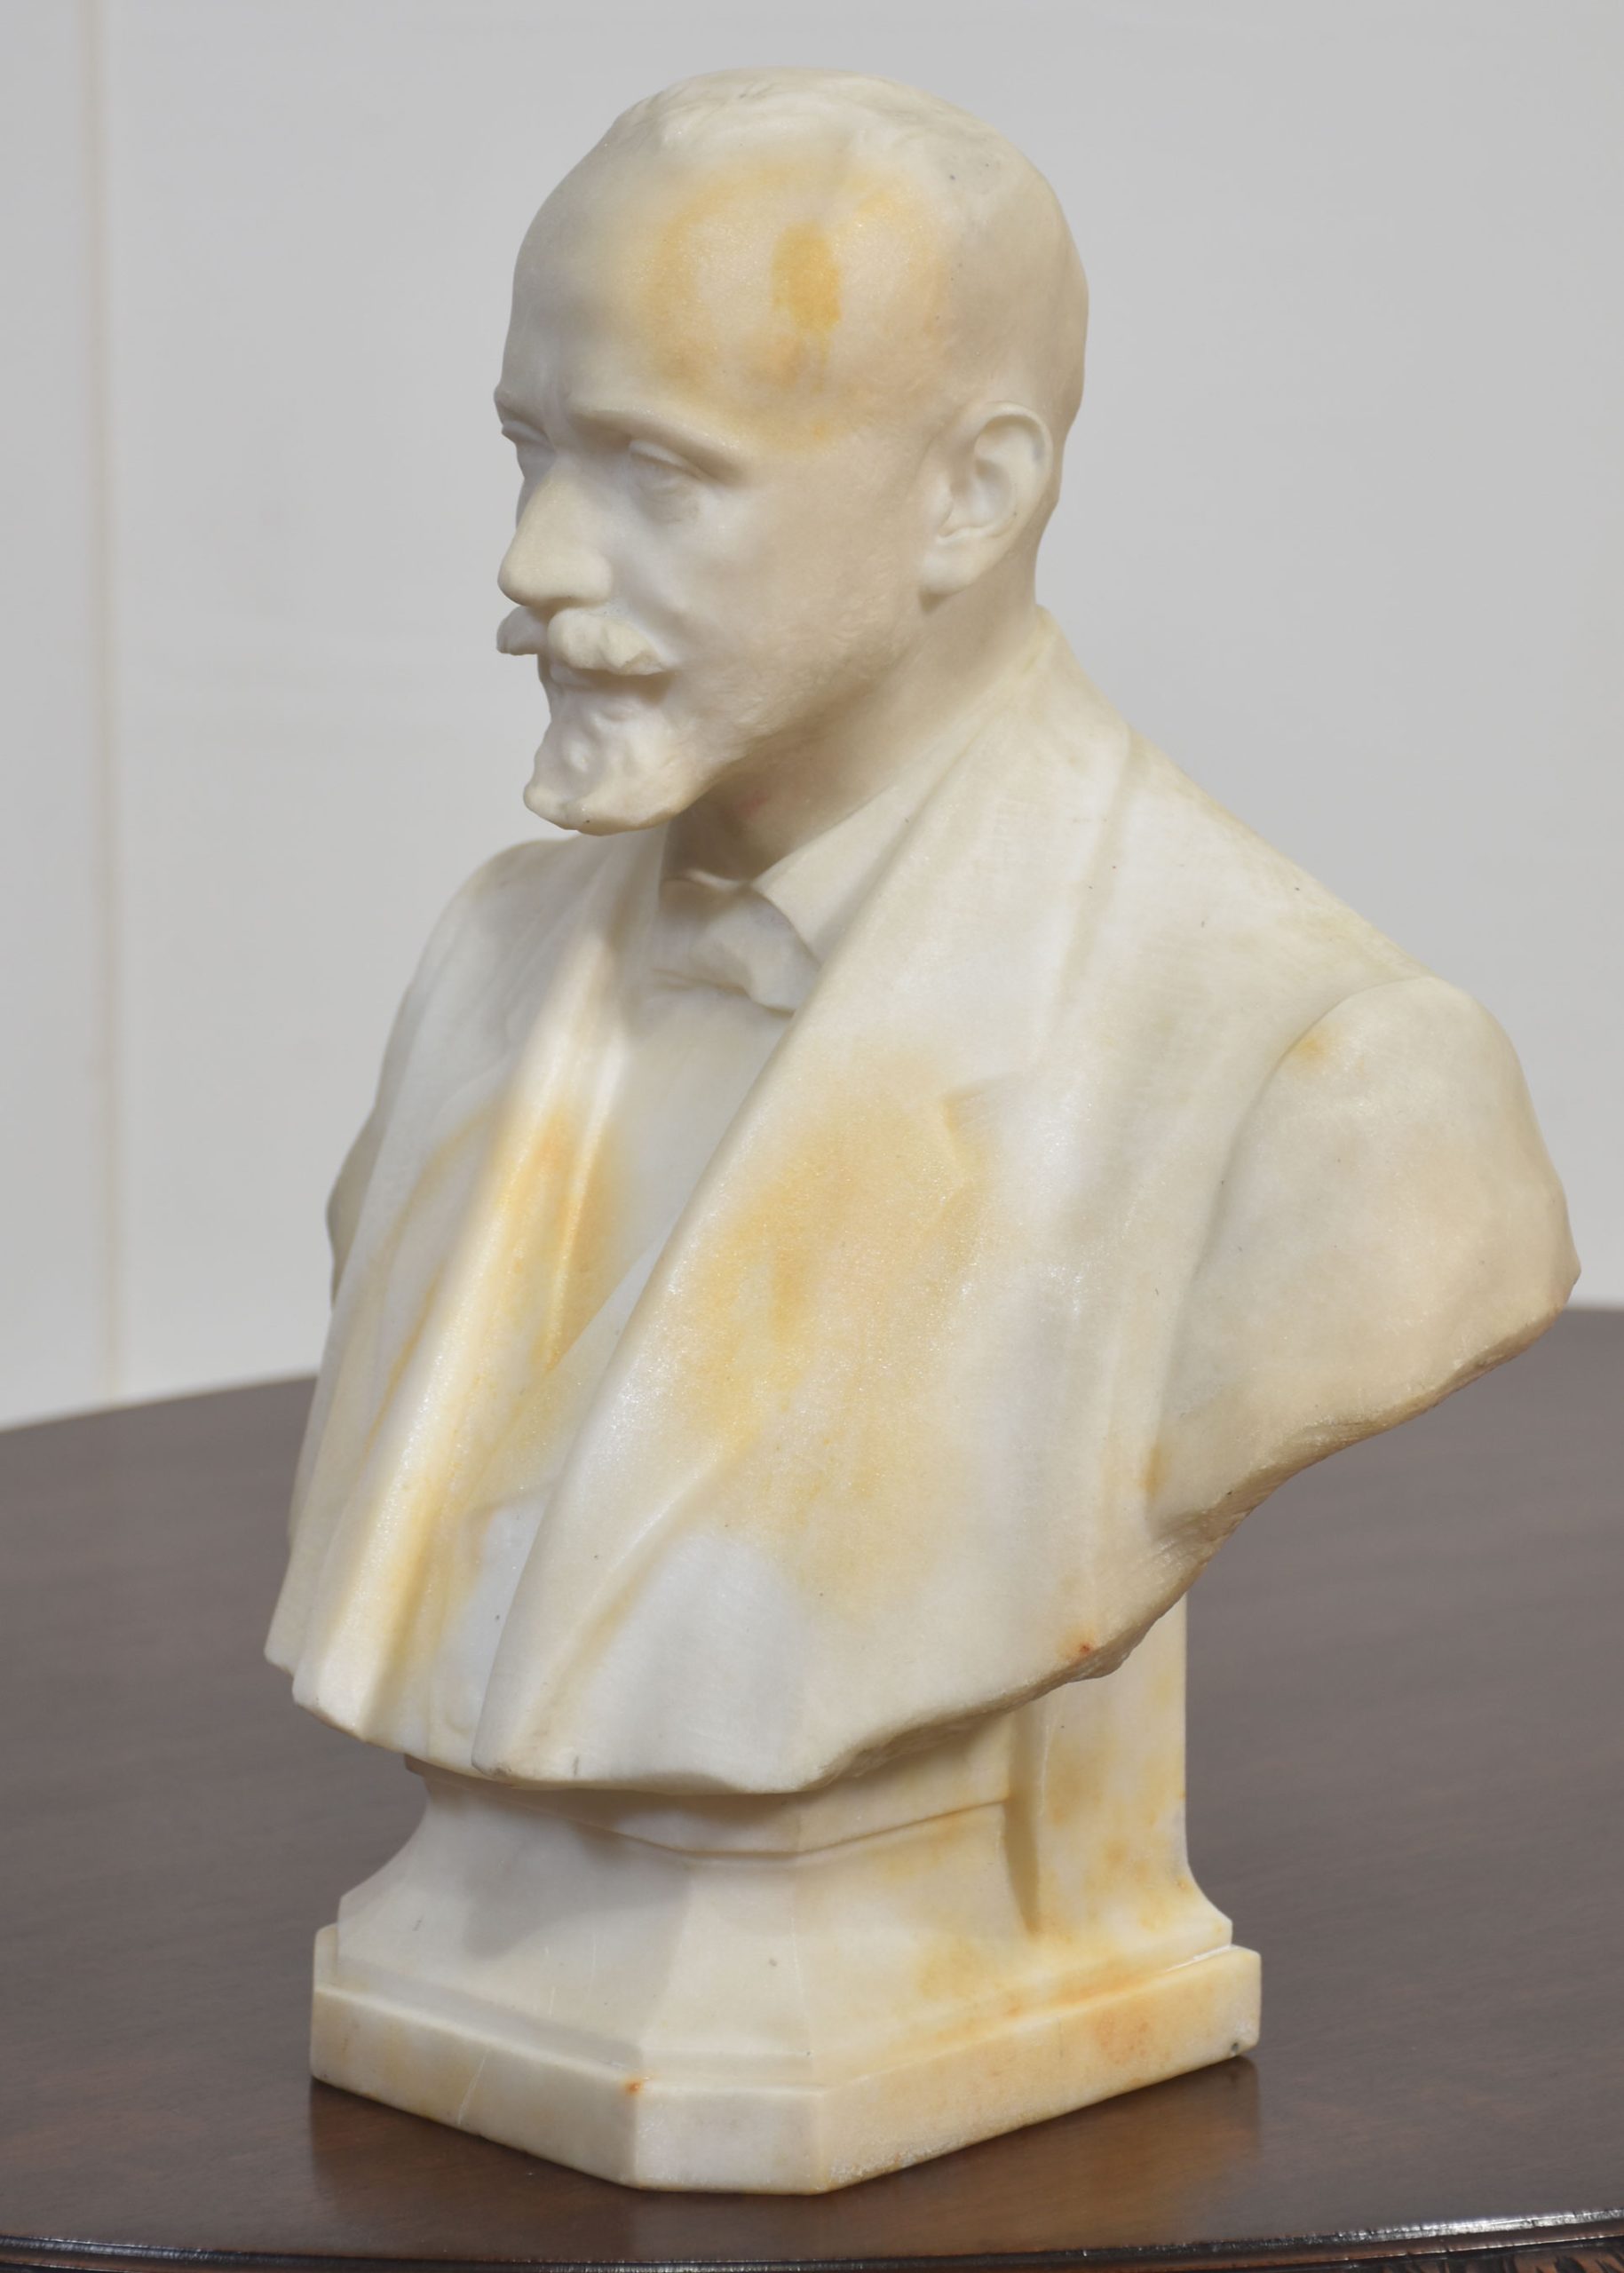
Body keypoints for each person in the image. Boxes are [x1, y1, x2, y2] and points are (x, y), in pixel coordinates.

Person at [267, 68, 1575, 1798]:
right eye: (532, 450)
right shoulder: (485, 961)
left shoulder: (1330, 1083)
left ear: (973, 495)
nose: (535, 559)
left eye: (659, 471)